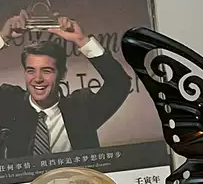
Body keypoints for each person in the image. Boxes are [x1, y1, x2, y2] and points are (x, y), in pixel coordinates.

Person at [0, 12, 131, 158]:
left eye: (46, 70)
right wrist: (3, 38)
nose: (38, 79)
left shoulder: (82, 108)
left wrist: (81, 40)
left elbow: (119, 83)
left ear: (62, 74)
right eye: (31, 71)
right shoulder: (8, 102)